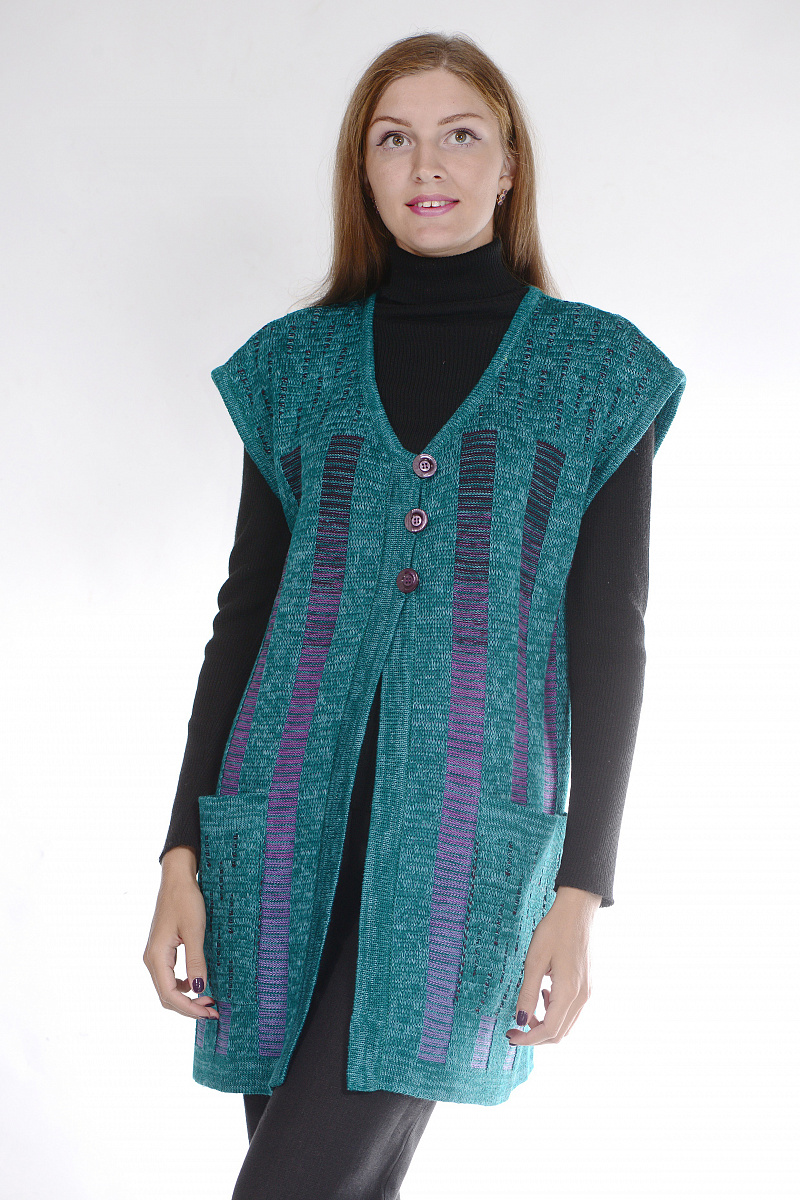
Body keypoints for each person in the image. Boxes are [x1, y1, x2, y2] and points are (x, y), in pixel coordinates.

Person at [143, 31, 686, 1200]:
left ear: (507, 165)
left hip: (466, 847)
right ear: (363, 168)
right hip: (273, 832)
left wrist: (579, 890)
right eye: (393, 138)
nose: (425, 164)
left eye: (458, 135)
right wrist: (181, 851)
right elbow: (245, 615)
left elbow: (610, 635)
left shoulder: (599, 373)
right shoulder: (291, 367)